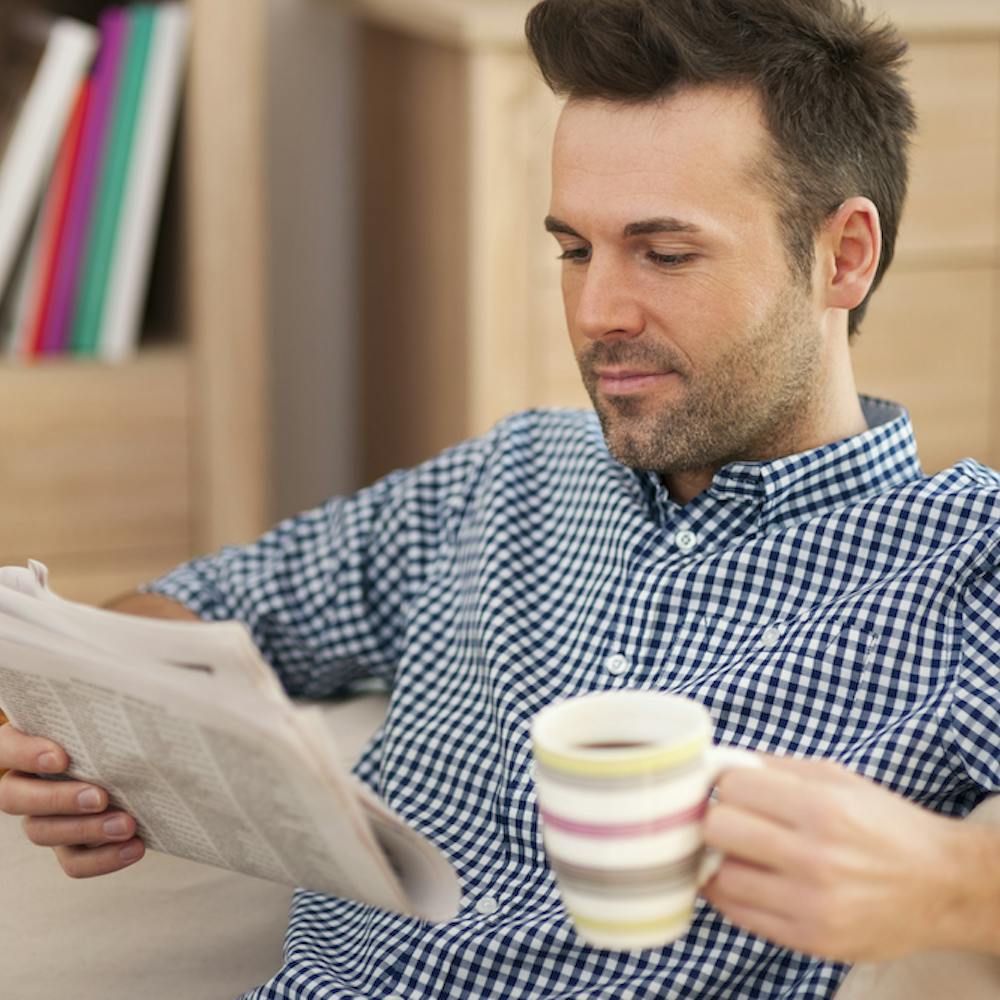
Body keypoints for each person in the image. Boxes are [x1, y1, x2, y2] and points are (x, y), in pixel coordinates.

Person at [1, 0, 998, 996]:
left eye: (665, 253)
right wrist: (66, 730)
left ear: (844, 256)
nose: (599, 311)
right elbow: (195, 612)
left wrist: (944, 883)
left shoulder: (963, 562)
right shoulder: (512, 475)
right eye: (574, 249)